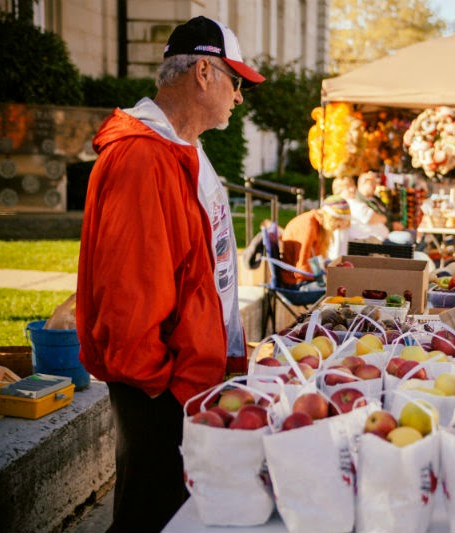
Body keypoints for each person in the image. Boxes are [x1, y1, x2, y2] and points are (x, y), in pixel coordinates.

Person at [76, 16, 264, 533]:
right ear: (204, 72)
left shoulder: (183, 148)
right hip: (158, 389)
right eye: (237, 81)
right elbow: (130, 290)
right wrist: (160, 388)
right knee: (149, 515)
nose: (240, 97)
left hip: (183, 381)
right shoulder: (142, 158)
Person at [280, 195, 351, 287]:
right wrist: (327, 274)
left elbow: (314, 262)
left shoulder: (317, 223)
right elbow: (301, 270)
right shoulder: (308, 226)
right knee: (343, 286)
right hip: (296, 283)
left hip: (306, 278)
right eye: (337, 226)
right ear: (332, 218)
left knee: (345, 280)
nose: (335, 230)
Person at [332, 175, 390, 242]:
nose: (353, 189)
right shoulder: (350, 204)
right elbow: (375, 218)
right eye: (348, 188)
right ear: (339, 191)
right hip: (373, 244)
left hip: (374, 242)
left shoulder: (347, 204)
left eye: (353, 185)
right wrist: (385, 218)